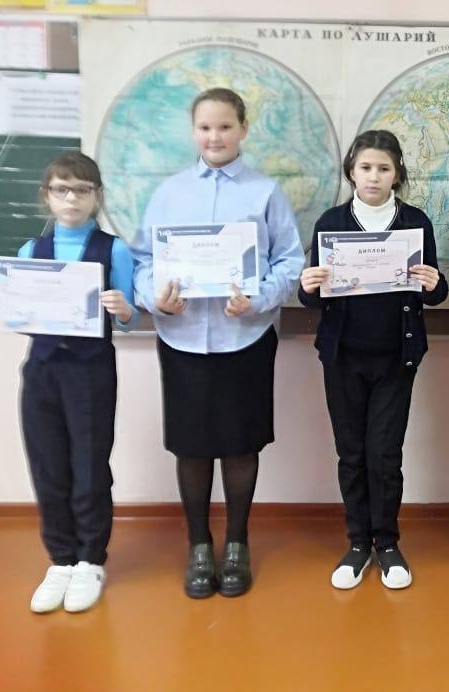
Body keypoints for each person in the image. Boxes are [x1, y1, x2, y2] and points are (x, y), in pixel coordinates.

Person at [131, 87, 304, 599]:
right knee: (191, 445)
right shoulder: (168, 193)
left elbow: (289, 260)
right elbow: (142, 261)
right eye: (205, 127)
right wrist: (155, 298)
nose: (215, 136)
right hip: (182, 339)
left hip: (245, 338)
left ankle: (237, 544)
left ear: (243, 129)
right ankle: (199, 545)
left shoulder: (265, 192)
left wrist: (258, 298)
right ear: (193, 131)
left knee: (239, 443)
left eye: (225, 126)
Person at [0, 152, 137, 613]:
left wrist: (123, 309)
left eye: (82, 190)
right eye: (61, 190)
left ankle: (90, 559)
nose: (71, 198)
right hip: (42, 371)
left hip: (90, 372)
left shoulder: (114, 249)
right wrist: (2, 308)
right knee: (47, 466)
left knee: (89, 467)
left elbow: (130, 318)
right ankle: (61, 559)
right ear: (46, 196)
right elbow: (27, 320)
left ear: (97, 196)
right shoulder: (30, 251)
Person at [298, 130, 448, 589]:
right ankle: (357, 542)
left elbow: (434, 293)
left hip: (396, 358)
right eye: (365, 167)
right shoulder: (332, 222)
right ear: (352, 171)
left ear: (397, 174)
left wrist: (434, 283)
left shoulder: (415, 222)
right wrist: (308, 286)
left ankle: (387, 543)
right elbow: (314, 299)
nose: (374, 176)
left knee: (384, 454)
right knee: (351, 453)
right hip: (343, 357)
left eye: (384, 168)